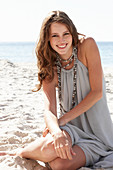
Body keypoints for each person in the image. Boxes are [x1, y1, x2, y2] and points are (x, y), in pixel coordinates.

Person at [1, 10, 113, 170]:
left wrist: (62, 121)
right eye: (55, 35)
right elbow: (49, 110)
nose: (61, 40)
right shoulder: (50, 64)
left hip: (98, 134)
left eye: (65, 33)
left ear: (72, 33)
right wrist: (57, 132)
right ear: (47, 38)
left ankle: (32, 151)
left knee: (59, 165)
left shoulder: (87, 45)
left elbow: (97, 92)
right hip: (71, 128)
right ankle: (20, 152)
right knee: (49, 148)